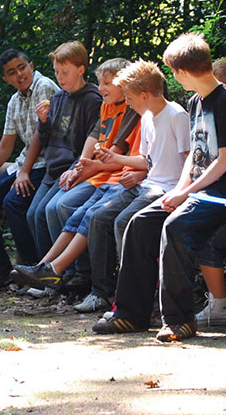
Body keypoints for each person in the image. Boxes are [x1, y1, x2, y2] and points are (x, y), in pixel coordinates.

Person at [93, 33, 226, 341]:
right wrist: (178, 190)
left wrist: (186, 193)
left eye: (173, 71)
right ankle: (129, 314)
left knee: (175, 227)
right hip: (198, 188)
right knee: (139, 223)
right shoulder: (195, 102)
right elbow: (195, 157)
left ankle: (180, 320)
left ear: (182, 72)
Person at [11, 58, 138, 292]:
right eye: (100, 82)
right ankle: (47, 271)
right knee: (44, 209)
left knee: (63, 206)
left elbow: (115, 154)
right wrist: (79, 166)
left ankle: (77, 273)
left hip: (108, 175)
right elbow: (94, 137)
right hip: (88, 170)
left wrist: (85, 167)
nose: (101, 88)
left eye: (107, 83)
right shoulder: (104, 104)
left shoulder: (129, 109)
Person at [79, 60, 190, 313]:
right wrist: (115, 158)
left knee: (123, 222)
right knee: (98, 217)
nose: (127, 103)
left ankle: (134, 296)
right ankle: (101, 292)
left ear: (145, 95)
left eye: (129, 98)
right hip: (148, 184)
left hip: (166, 188)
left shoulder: (176, 115)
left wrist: (181, 192)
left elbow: (188, 160)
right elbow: (148, 160)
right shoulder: (148, 117)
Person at [7, 41, 101, 275]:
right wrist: (44, 122)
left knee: (51, 210)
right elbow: (46, 138)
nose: (59, 77)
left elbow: (93, 139)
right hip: (53, 169)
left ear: (81, 69)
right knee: (33, 213)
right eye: (56, 72)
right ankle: (42, 272)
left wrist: (77, 167)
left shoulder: (92, 99)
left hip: (72, 167)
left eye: (64, 72)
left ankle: (70, 272)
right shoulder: (58, 98)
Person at [0, 49, 58, 293]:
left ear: (31, 66)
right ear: (5, 79)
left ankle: (31, 272)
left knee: (14, 202)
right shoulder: (14, 101)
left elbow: (41, 134)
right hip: (24, 164)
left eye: (22, 67)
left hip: (48, 163)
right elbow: (5, 145)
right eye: (12, 72)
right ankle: (1, 272)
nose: (19, 74)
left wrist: (25, 172)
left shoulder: (43, 86)